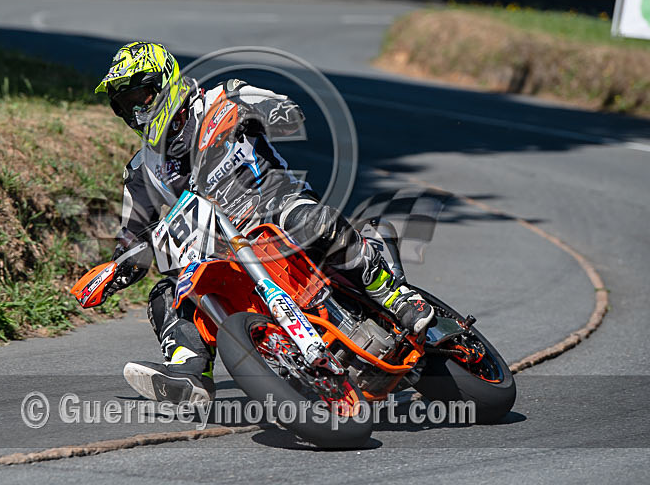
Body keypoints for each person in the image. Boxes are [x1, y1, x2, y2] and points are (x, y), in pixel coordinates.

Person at [96, 41, 434, 406]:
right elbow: (134, 231)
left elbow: (288, 112)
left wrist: (257, 113)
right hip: (219, 247)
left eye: (140, 97)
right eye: (124, 104)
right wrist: (117, 268)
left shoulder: (223, 97)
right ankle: (189, 372)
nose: (135, 110)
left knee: (306, 220)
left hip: (275, 208)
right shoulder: (142, 168)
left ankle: (393, 293)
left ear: (165, 82)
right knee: (167, 293)